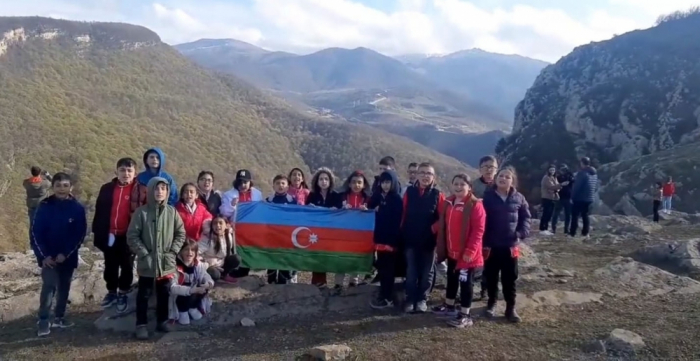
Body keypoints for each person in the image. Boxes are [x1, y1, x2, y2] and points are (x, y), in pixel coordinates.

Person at [127, 177, 186, 340]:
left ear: (167, 192)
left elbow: (181, 233)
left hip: (166, 262)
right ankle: (141, 325)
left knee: (164, 293)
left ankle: (162, 321)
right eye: (156, 188)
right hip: (147, 262)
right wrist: (144, 253)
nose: (159, 192)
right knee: (144, 294)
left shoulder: (172, 212)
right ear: (150, 190)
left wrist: (173, 251)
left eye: (163, 188)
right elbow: (132, 236)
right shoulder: (141, 212)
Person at [31, 172, 87, 336]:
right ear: (52, 187)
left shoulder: (77, 208)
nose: (62, 189)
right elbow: (35, 233)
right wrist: (43, 256)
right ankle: (43, 320)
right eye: (58, 186)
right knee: (49, 287)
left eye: (65, 186)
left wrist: (66, 254)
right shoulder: (44, 206)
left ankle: (59, 317)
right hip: (48, 257)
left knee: (64, 287)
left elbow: (79, 234)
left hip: (67, 256)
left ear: (71, 187)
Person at [92, 157, 146, 314]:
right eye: (122, 170)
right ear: (116, 171)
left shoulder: (141, 190)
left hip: (129, 235)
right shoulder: (107, 189)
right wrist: (98, 232)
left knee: (127, 265)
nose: (126, 174)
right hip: (110, 234)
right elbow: (99, 211)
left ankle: (123, 292)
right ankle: (111, 292)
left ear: (135, 173)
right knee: (110, 265)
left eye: (129, 171)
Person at [433, 174, 486, 328]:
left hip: (467, 255)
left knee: (465, 283)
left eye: (462, 184)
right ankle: (449, 306)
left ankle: (465, 314)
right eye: (456, 184)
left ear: (469, 187)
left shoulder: (475, 204)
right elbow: (443, 223)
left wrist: (470, 251)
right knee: (452, 278)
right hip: (452, 252)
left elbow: (479, 230)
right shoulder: (449, 202)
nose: (458, 187)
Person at [482, 166, 530, 323]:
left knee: (510, 277)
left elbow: (525, 219)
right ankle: (491, 303)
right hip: (491, 244)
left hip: (510, 246)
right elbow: (480, 219)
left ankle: (511, 307)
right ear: (496, 178)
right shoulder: (488, 197)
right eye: (500, 176)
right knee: (491, 276)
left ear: (512, 180)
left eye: (507, 177)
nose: (503, 179)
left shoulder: (519, 198)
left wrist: (520, 234)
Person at [401, 162, 444, 313]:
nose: (426, 176)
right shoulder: (409, 193)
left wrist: (433, 229)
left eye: (429, 173)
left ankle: (422, 299)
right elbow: (403, 213)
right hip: (410, 238)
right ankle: (410, 298)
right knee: (411, 271)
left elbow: (442, 217)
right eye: (423, 173)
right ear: (417, 175)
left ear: (434, 177)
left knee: (427, 271)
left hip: (429, 240)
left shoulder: (437, 195)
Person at [368, 170, 403, 309]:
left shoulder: (396, 200)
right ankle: (383, 295)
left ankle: (388, 298)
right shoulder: (380, 197)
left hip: (391, 242)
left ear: (393, 183)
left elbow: (396, 222)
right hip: (380, 241)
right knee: (382, 269)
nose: (385, 185)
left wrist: (393, 242)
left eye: (388, 182)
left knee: (388, 271)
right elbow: (370, 206)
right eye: (383, 182)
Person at [305, 167, 342, 287]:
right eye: (321, 179)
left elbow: (342, 212)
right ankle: (318, 282)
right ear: (317, 181)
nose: (324, 181)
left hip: (332, 231)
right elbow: (306, 212)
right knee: (317, 255)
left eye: (326, 179)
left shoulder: (336, 196)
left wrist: (336, 211)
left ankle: (337, 283)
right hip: (316, 231)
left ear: (330, 181)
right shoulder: (312, 195)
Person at [335, 170, 371, 291]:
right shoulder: (341, 197)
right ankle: (338, 283)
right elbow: (334, 212)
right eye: (354, 182)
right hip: (344, 233)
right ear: (349, 184)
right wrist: (342, 209)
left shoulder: (367, 199)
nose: (357, 185)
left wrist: (367, 211)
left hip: (359, 235)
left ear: (364, 185)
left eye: (359, 182)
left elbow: (373, 214)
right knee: (342, 257)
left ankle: (353, 281)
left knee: (356, 257)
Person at [169, 240, 214, 325]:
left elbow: (206, 276)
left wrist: (208, 283)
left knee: (203, 287)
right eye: (186, 249)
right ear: (181, 251)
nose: (189, 253)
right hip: (179, 297)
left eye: (192, 250)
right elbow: (172, 288)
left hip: (194, 294)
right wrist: (191, 290)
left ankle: (192, 307)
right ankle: (183, 310)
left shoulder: (198, 265)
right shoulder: (174, 266)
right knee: (185, 321)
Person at [472, 155, 498, 300]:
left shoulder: (501, 184)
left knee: (493, 261)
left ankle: (488, 289)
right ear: (480, 169)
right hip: (479, 229)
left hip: (497, 229)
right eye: (486, 167)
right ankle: (477, 287)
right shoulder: (474, 185)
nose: (489, 170)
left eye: (492, 167)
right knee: (479, 259)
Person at [265, 175, 298, 284]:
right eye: (278, 183)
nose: (280, 186)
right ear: (273, 186)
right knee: (272, 257)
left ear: (288, 186)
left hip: (286, 236)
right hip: (272, 235)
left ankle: (284, 280)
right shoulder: (268, 200)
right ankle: (271, 280)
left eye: (283, 183)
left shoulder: (292, 201)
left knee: (284, 257)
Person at [199, 216, 244, 283]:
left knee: (236, 258)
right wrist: (206, 262)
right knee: (215, 275)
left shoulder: (228, 236)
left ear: (226, 225)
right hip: (210, 264)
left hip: (222, 263)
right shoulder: (207, 238)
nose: (217, 225)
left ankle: (225, 274)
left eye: (220, 223)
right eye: (215, 223)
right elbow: (196, 252)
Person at [570, 157, 598, 238]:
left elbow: (577, 187)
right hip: (589, 198)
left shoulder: (582, 173)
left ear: (582, 163)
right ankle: (585, 233)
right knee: (585, 215)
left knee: (575, 215)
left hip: (580, 198)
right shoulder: (594, 174)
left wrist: (572, 197)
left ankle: (572, 233)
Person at [23, 166, 52, 234]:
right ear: (39, 173)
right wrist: (48, 176)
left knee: (33, 224)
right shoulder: (45, 183)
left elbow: (26, 182)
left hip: (31, 205)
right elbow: (53, 182)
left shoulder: (27, 183)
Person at [539, 165, 561, 236]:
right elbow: (551, 186)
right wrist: (560, 185)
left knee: (550, 214)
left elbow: (557, 187)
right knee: (546, 213)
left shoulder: (554, 178)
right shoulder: (546, 178)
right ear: (548, 170)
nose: (552, 171)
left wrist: (557, 188)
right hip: (546, 198)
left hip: (552, 198)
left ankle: (546, 228)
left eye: (553, 170)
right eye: (551, 170)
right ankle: (542, 228)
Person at [551, 164, 574, 234]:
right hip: (560, 197)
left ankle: (566, 229)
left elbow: (573, 181)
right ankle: (554, 228)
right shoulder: (558, 177)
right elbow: (554, 186)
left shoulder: (569, 177)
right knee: (556, 214)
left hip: (567, 197)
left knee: (567, 214)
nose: (563, 171)